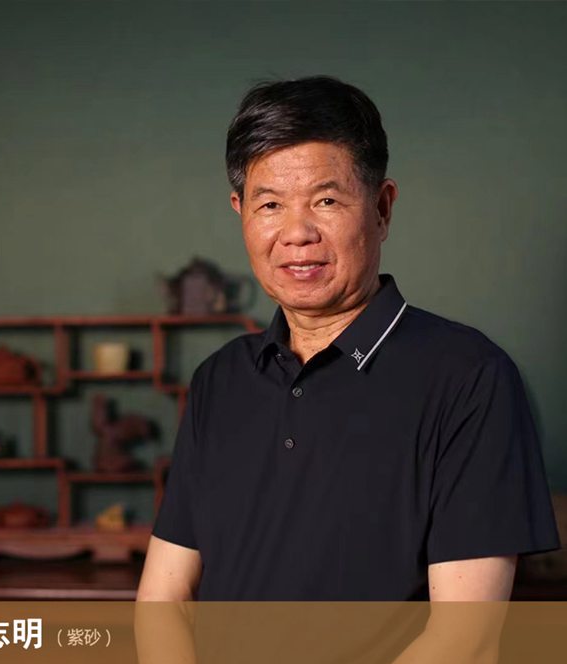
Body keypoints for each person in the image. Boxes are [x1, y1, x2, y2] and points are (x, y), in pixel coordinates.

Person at [136, 75, 559, 602]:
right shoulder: (218, 380)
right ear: (240, 211)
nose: (297, 234)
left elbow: (464, 638)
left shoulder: (469, 378)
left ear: (382, 208)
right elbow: (164, 600)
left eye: (326, 200)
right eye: (270, 205)